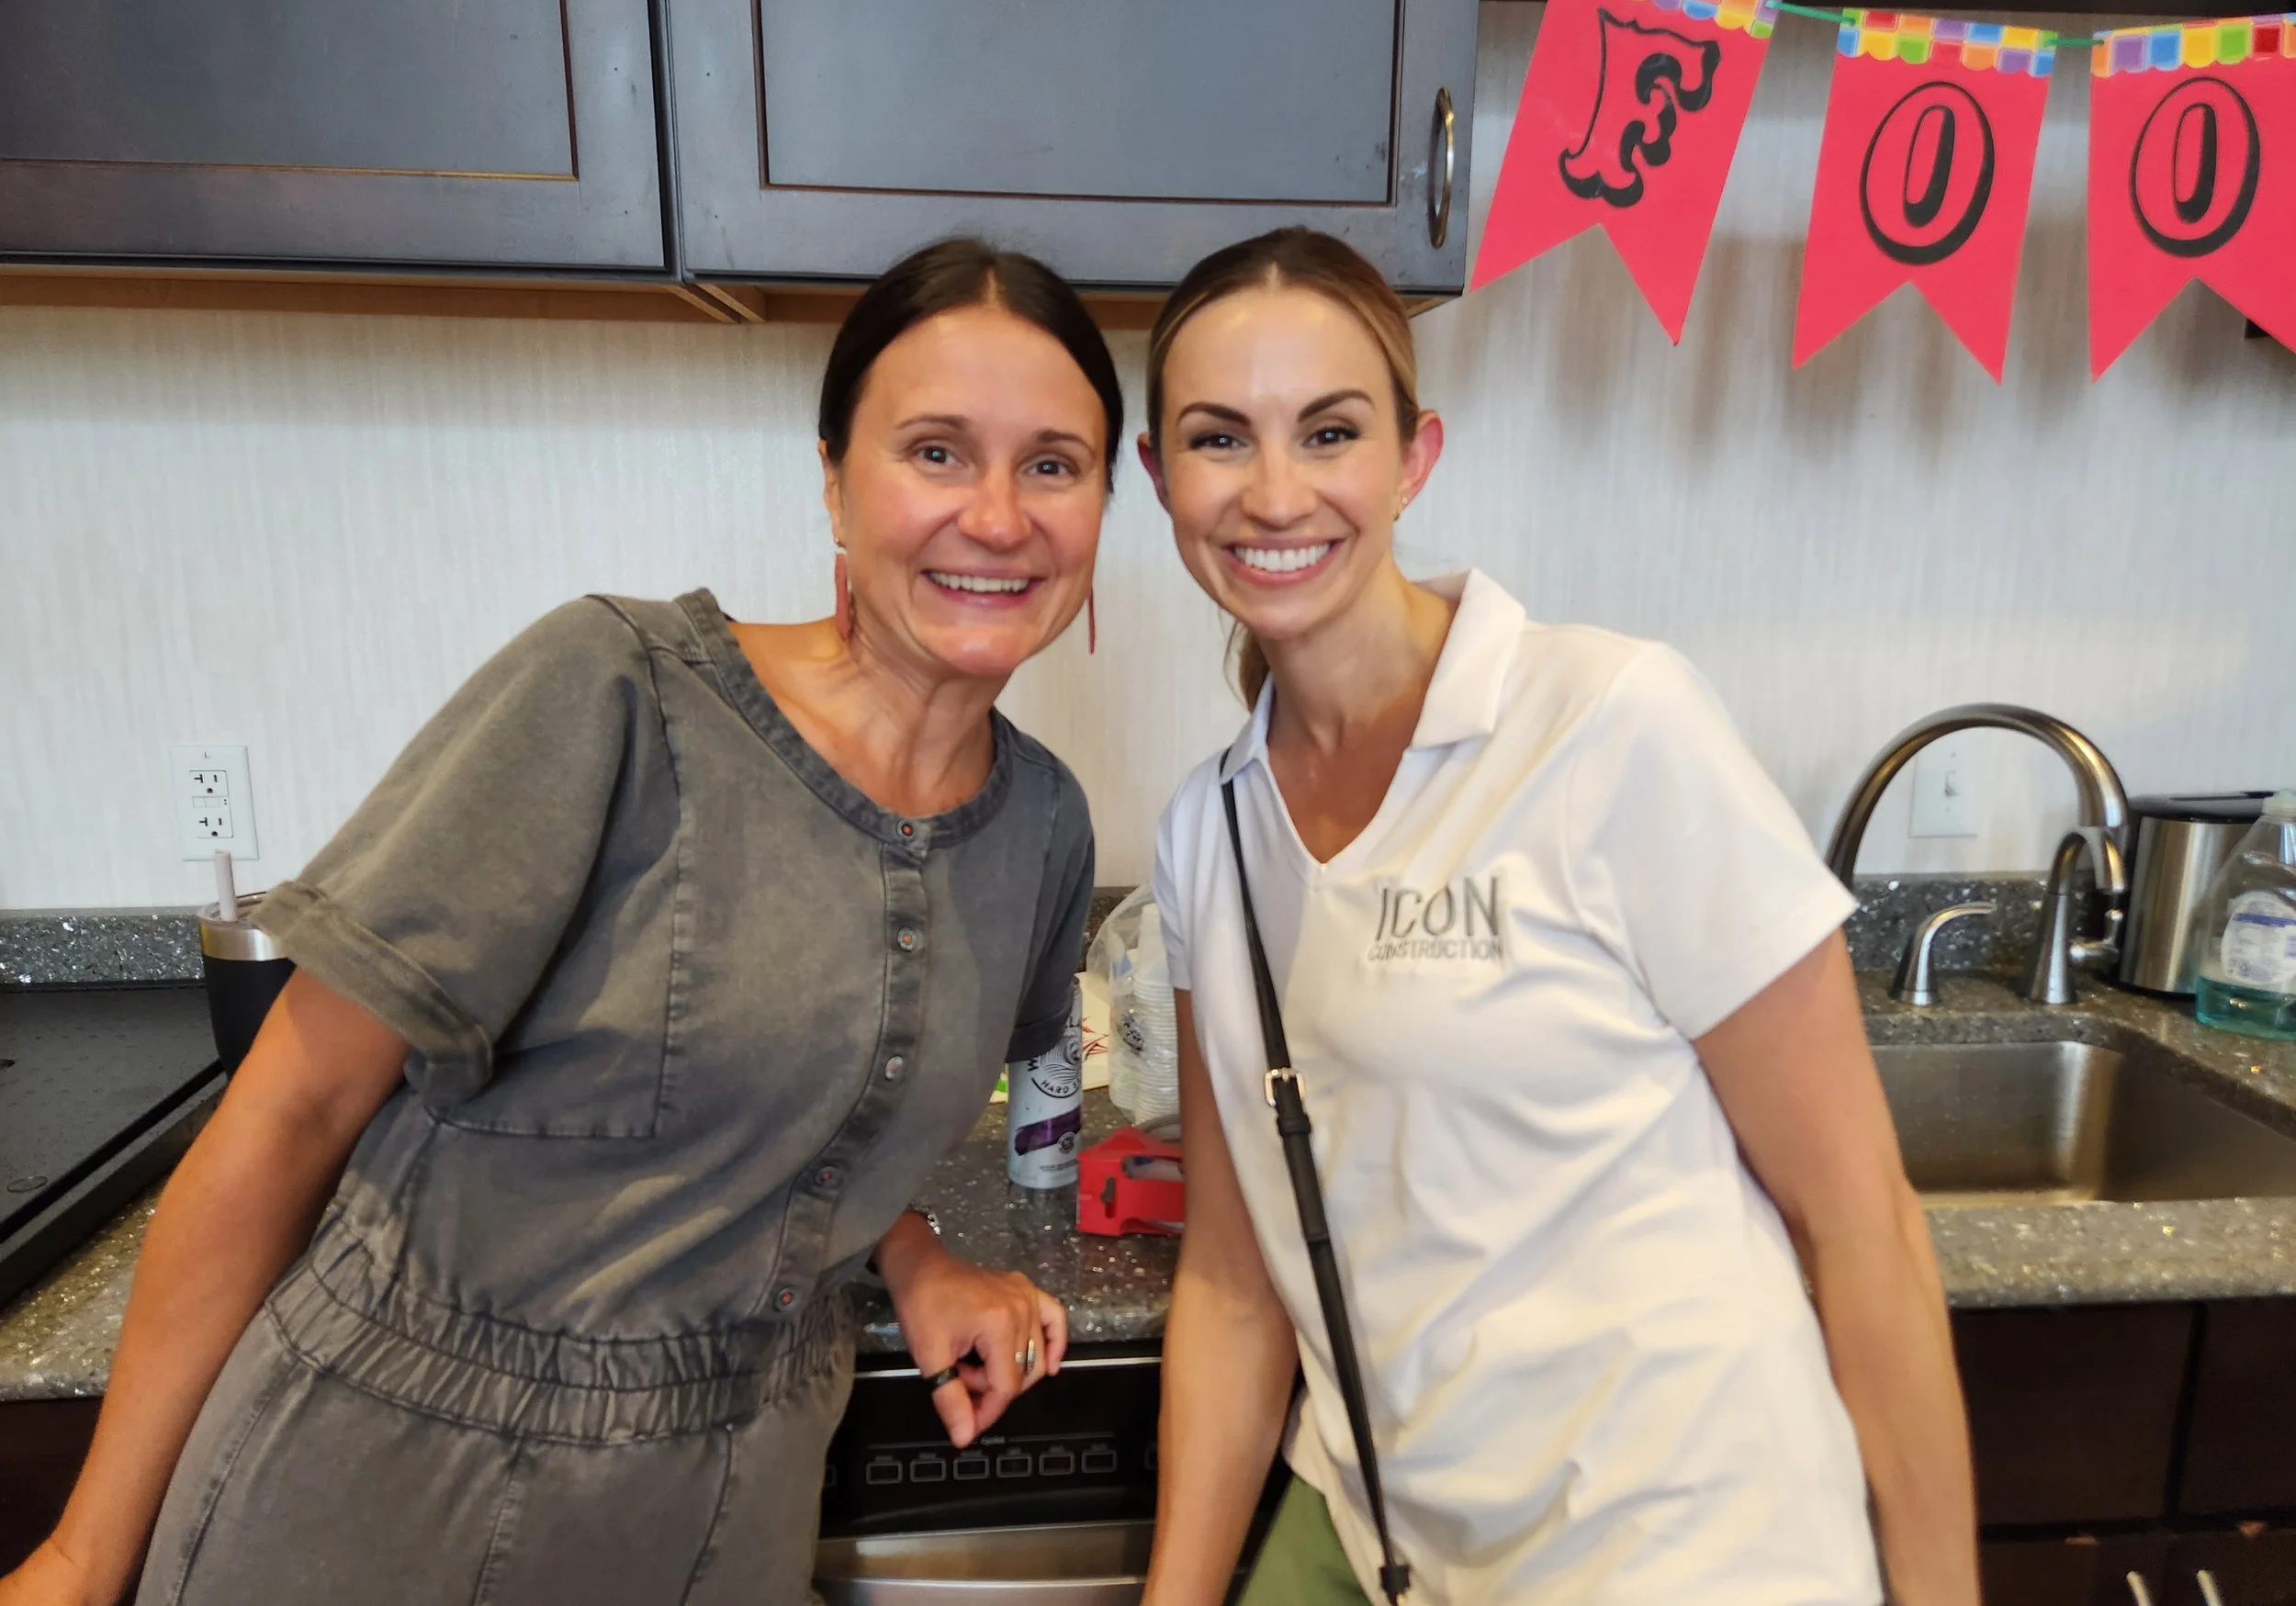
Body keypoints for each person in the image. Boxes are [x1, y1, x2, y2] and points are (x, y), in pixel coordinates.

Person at [0, 239, 1119, 1606]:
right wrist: (78, 1553)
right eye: (937, 451)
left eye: (1052, 463)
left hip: (727, 1516)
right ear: (834, 478)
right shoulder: (616, 691)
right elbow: (287, 1109)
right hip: (385, 1494)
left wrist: (920, 1253)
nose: (998, 516)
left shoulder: (1045, 829)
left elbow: (814, 1101)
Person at [1133, 229, 1977, 1606]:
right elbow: (1236, 1277)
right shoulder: (1207, 832)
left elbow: (1859, 1216)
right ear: (1159, 477)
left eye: (1330, 431)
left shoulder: (1606, 722)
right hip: (1382, 1529)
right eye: (1221, 439)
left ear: (1414, 460)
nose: (1275, 492)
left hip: (1676, 1542)